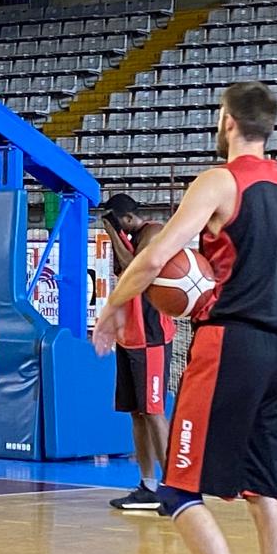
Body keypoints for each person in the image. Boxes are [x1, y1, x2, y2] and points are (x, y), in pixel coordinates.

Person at [93, 82, 277, 554]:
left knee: (179, 492)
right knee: (268, 497)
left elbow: (159, 254)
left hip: (228, 345)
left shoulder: (221, 180)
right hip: (276, 349)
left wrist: (112, 307)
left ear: (228, 121)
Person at [102, 193, 175, 513]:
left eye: (118, 223)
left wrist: (111, 234)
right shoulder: (129, 238)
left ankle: (176, 488)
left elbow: (135, 270)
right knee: (137, 413)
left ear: (127, 219)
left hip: (152, 337)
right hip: (128, 337)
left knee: (155, 412)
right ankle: (148, 485)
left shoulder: (154, 233)